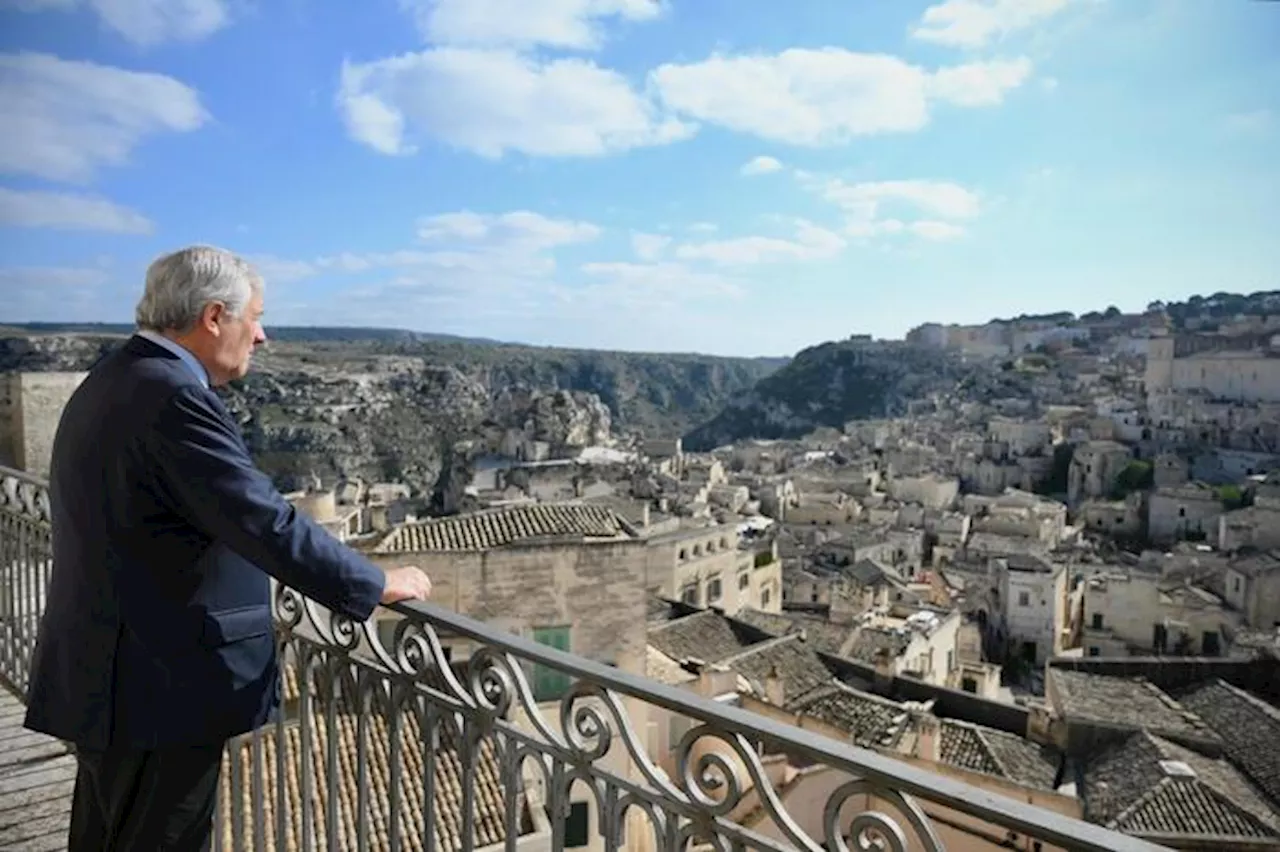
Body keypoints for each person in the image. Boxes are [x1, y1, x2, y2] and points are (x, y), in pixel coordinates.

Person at [23, 245, 433, 850]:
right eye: (255, 317)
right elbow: (262, 520)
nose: (262, 336)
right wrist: (374, 584)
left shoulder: (113, 377)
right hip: (156, 684)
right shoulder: (174, 398)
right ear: (214, 317)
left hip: (109, 673)